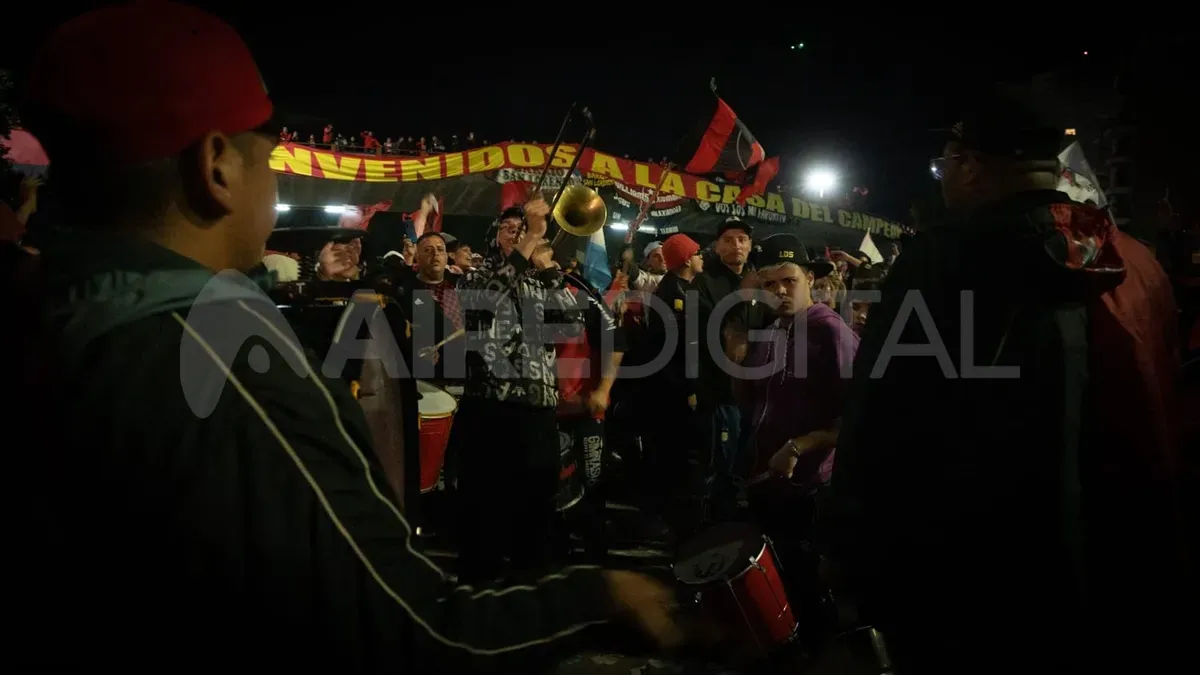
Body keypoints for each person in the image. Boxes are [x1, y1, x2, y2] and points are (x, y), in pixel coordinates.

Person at [8, 3, 682, 670]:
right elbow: (416, 629)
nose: (273, 182)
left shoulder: (47, 315)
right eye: (268, 158)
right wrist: (601, 597)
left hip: (531, 425)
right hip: (488, 428)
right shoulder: (231, 366)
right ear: (216, 166)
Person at [824, 85, 1186, 674]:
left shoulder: (943, 261)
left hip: (974, 572)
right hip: (1123, 555)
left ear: (971, 165)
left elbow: (884, 423)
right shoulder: (1137, 263)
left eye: (944, 164)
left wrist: (850, 549)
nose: (942, 179)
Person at [453, 205, 585, 586]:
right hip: (490, 408)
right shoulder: (475, 275)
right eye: (508, 228)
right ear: (495, 236)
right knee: (485, 507)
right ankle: (477, 589)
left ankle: (530, 589)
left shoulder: (541, 282)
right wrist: (528, 241)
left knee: (536, 507)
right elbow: (486, 304)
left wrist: (549, 270)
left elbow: (570, 326)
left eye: (522, 228)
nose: (516, 233)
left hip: (538, 410)